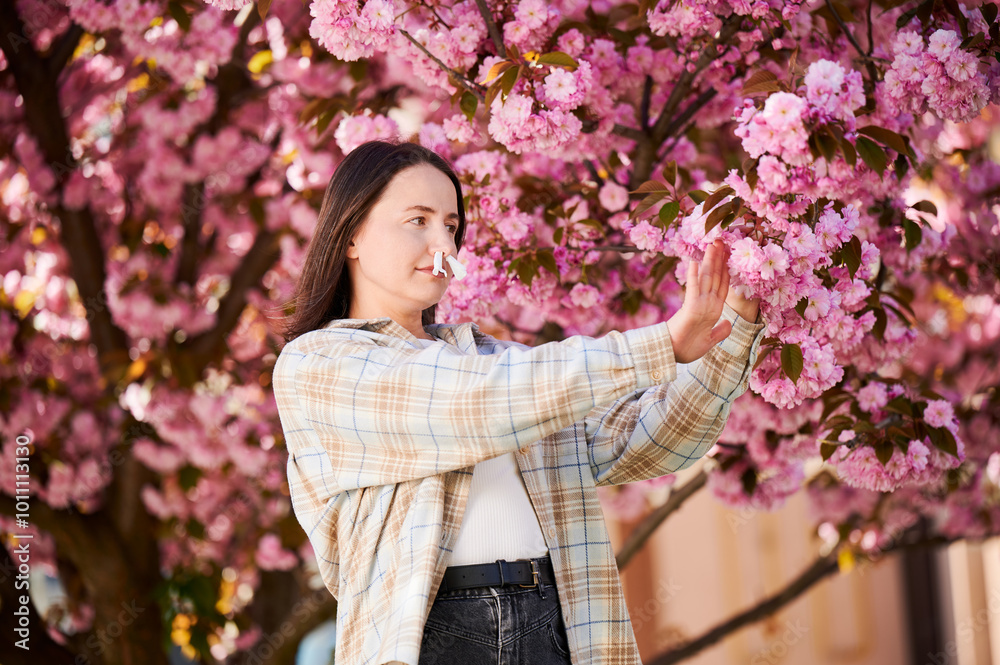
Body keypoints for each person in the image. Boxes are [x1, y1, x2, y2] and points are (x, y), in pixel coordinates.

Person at [272, 140, 765, 665]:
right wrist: (660, 345)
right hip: (429, 637)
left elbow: (656, 438)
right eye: (417, 220)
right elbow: (470, 403)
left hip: (554, 625)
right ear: (351, 235)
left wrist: (733, 320)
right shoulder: (318, 364)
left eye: (452, 226)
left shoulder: (502, 363)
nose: (444, 245)